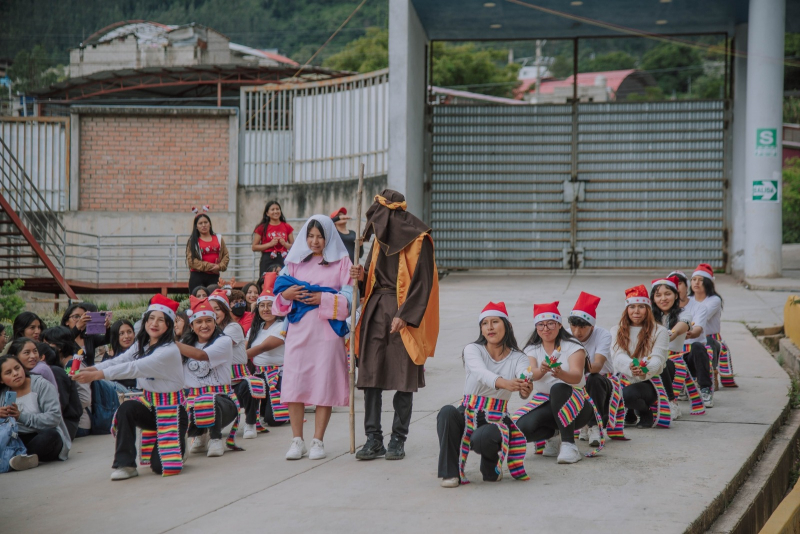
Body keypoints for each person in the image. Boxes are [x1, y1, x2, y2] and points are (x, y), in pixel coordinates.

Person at [351, 190, 439, 461]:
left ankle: (398, 439)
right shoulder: (379, 240)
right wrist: (360, 277)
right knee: (370, 375)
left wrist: (406, 314)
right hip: (375, 309)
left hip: (403, 313)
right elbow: (370, 283)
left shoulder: (419, 238)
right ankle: (373, 438)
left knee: (404, 377)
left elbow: (423, 282)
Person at [75, 295, 185, 480]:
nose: (154, 324)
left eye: (161, 320)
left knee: (159, 467)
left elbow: (134, 368)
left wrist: (96, 375)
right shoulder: (142, 344)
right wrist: (93, 368)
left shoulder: (169, 350)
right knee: (126, 408)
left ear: (169, 325)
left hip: (172, 410)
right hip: (149, 404)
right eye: (151, 318)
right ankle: (125, 465)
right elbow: (121, 360)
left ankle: (180, 443)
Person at [273, 215, 353, 461]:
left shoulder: (342, 262)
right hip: (298, 332)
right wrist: (286, 294)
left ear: (329, 236)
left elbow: (350, 300)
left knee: (323, 383)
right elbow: (277, 304)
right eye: (310, 236)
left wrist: (323, 299)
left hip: (327, 333)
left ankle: (318, 440)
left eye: (319, 236)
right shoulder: (293, 262)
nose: (314, 241)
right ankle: (297, 440)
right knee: (295, 383)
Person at [437, 302, 531, 487]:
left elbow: (524, 376)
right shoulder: (473, 349)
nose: (489, 327)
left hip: (496, 416)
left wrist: (525, 387)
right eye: (484, 323)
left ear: (507, 326)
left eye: (495, 321)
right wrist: (506, 383)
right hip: (468, 410)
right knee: (446, 413)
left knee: (483, 437)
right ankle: (451, 473)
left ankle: (491, 468)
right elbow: (481, 373)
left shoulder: (519, 357)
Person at [513, 302, 599, 464]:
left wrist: (560, 373)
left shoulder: (573, 347)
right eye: (541, 324)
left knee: (559, 388)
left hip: (576, 405)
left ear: (559, 325)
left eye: (551, 323)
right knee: (521, 428)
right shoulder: (532, 349)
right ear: (536, 327)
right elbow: (531, 373)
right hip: (545, 403)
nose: (546, 328)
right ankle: (553, 435)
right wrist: (543, 370)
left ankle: (569, 445)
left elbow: (576, 376)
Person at [177, 296, 240, 457]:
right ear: (191, 325)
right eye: (199, 322)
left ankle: (215, 438)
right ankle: (199, 434)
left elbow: (202, 355)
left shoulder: (224, 341)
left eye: (208, 321)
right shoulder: (185, 343)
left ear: (214, 322)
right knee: (174, 407)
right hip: (192, 400)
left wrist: (171, 343)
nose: (204, 325)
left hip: (222, 401)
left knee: (208, 400)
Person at [207, 289, 265, 441]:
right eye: (210, 310)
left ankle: (251, 423)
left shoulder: (233, 327)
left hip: (238, 379)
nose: (214, 313)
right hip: (219, 382)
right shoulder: (207, 330)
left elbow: (219, 348)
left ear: (225, 310)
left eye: (217, 309)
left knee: (250, 385)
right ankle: (203, 432)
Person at [611, 285, 671, 429]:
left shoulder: (660, 331)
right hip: (624, 377)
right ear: (627, 310)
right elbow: (617, 355)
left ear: (648, 309)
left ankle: (645, 411)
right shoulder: (616, 330)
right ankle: (629, 412)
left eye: (641, 307)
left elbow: (658, 357)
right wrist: (631, 365)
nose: (636, 311)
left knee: (628, 395)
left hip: (648, 380)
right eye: (632, 307)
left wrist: (644, 368)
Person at [0, 354, 72, 468]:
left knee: (50, 436)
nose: (15, 373)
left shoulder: (42, 385)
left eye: (17, 368)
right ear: (1, 380)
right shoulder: (3, 394)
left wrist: (21, 416)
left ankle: (17, 458)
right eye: (8, 372)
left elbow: (54, 418)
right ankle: (18, 459)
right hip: (16, 438)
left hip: (41, 435)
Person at [651, 276, 706, 417]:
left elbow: (682, 326)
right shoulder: (649, 316)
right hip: (650, 360)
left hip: (673, 362)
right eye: (658, 295)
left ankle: (672, 403)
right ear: (653, 299)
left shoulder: (684, 313)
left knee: (662, 363)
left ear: (676, 295)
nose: (663, 298)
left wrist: (671, 333)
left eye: (667, 294)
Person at [567, 292, 612, 447]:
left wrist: (576, 367)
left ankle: (595, 426)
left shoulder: (603, 334)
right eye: (574, 326)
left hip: (602, 381)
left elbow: (597, 366)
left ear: (592, 326)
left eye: (582, 327)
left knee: (593, 378)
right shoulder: (566, 335)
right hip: (575, 381)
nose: (577, 332)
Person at [247, 273, 288, 428]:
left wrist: (233, 358)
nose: (266, 309)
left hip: (278, 375)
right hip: (259, 375)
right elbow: (245, 347)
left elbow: (261, 348)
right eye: (262, 305)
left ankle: (289, 408)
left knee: (273, 420)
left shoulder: (282, 326)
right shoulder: (254, 329)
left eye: (270, 305)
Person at [670, 270, 714, 408]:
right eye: (672, 285)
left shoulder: (699, 307)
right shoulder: (664, 309)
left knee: (697, 347)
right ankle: (676, 388)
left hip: (691, 354)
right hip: (672, 355)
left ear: (686, 286)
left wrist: (685, 333)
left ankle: (705, 389)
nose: (676, 287)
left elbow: (697, 329)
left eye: (680, 283)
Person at [690, 263, 736, 389]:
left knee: (707, 343)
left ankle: (710, 376)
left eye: (701, 280)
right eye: (694, 279)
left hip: (711, 339)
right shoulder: (688, 299)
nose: (696, 283)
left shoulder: (714, 300)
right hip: (691, 337)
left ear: (708, 282)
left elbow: (701, 318)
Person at [42, 326, 90, 438]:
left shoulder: (73, 364)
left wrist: (68, 404)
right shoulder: (61, 363)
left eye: (46, 343)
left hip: (80, 425)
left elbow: (85, 398)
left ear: (59, 346)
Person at [36, 342, 82, 440]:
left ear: (42, 357)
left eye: (33, 352)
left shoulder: (56, 372)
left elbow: (61, 404)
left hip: (66, 424)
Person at [186, 207, 230, 294]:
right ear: (196, 227)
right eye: (200, 223)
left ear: (210, 224)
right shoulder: (193, 241)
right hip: (197, 276)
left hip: (214, 276)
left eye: (206, 222)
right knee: (198, 302)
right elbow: (191, 261)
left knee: (214, 302)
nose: (203, 225)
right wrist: (210, 266)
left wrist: (220, 266)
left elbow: (226, 255)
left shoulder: (218, 238)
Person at [60, 302, 111, 367]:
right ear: (66, 321)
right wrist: (77, 327)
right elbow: (66, 341)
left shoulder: (89, 336)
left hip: (88, 375)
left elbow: (108, 339)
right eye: (76, 316)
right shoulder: (62, 337)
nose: (80, 319)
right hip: (69, 375)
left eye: (83, 316)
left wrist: (107, 328)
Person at [252, 200, 294, 276]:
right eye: (272, 209)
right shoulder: (261, 227)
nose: (276, 211)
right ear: (267, 213)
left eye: (277, 209)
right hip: (268, 258)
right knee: (266, 282)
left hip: (283, 257)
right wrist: (270, 244)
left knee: (283, 281)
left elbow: (293, 246)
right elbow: (254, 247)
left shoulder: (287, 226)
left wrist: (285, 244)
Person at [106, 319, 138, 390]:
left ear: (134, 334)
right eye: (121, 333)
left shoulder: (141, 354)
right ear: (116, 337)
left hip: (136, 392)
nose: (126, 336)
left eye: (129, 332)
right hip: (116, 393)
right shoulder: (110, 357)